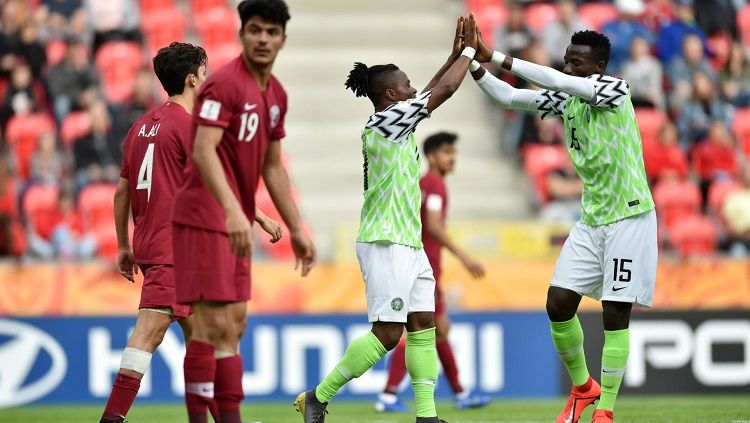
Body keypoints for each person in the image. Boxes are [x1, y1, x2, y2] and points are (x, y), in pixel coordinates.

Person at [294, 14, 480, 423]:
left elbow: (432, 89)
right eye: (408, 85)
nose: (416, 89)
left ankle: (427, 416)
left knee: (422, 324)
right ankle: (317, 397)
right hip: (386, 241)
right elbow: (444, 91)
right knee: (388, 334)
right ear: (393, 95)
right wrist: (471, 52)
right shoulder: (386, 121)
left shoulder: (395, 119)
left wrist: (452, 56)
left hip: (407, 243)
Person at [469, 29, 657, 423]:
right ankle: (583, 387)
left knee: (614, 311)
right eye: (567, 59)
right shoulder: (568, 99)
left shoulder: (615, 91)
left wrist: (498, 56)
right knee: (557, 303)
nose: (568, 67)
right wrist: (470, 61)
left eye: (577, 62)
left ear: (599, 68)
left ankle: (604, 409)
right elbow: (509, 96)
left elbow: (556, 80)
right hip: (591, 220)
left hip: (629, 216)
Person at [171, 1, 315, 423]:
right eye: (255, 30)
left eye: (272, 32)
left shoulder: (276, 95)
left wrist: (296, 227)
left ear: (283, 39)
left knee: (234, 325)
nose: (263, 39)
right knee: (211, 324)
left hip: (230, 218)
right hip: (202, 215)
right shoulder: (222, 86)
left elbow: (272, 165)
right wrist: (236, 211)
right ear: (242, 34)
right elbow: (202, 150)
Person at [99, 42, 209, 423]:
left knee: (204, 341)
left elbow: (121, 192)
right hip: (173, 247)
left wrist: (123, 246)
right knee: (147, 334)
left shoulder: (140, 126)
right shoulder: (189, 127)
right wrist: (261, 217)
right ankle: (112, 418)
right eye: (205, 72)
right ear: (194, 79)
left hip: (152, 243)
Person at [374, 131, 488, 413]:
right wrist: (465, 257)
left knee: (435, 330)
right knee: (421, 330)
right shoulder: (435, 185)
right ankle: (389, 394)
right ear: (432, 156)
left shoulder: (420, 183)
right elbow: (435, 225)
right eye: (447, 152)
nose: (453, 158)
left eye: (454, 152)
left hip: (412, 263)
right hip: (425, 268)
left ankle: (459, 392)